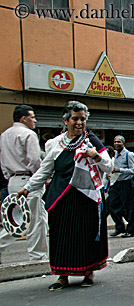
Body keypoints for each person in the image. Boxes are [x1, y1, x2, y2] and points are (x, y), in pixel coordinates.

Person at [18, 101, 113, 290]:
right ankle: (63, 275)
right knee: (61, 235)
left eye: (83, 119)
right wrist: (27, 188)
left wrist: (95, 155)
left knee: (85, 235)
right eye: (75, 119)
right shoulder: (54, 144)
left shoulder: (92, 141)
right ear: (65, 120)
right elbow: (45, 171)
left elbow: (108, 166)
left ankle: (88, 272)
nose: (79, 123)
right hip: (61, 196)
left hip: (85, 197)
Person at [0, 105, 48, 264]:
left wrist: (10, 176)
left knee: (17, 219)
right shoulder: (28, 134)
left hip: (12, 180)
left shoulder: (5, 135)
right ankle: (38, 257)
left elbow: (3, 162)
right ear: (23, 118)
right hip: (28, 181)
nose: (35, 120)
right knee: (35, 221)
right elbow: (34, 160)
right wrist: (40, 178)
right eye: (32, 117)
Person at [109, 135, 134, 238]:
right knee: (111, 205)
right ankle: (120, 227)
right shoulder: (115, 154)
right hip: (116, 184)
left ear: (123, 143)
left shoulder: (129, 155)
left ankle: (131, 230)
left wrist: (119, 170)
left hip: (126, 183)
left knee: (129, 208)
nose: (116, 144)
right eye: (115, 142)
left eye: (119, 142)